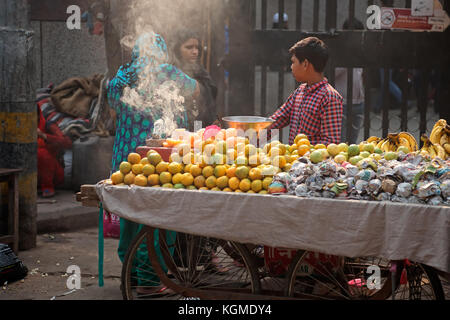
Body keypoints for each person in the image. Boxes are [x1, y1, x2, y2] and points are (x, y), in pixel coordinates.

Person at [107, 31, 200, 295]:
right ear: (160, 51)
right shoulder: (167, 71)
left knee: (130, 218)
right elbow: (194, 88)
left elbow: (113, 109)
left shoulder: (119, 78)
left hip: (125, 161)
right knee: (158, 219)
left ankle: (132, 274)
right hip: (157, 161)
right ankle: (149, 280)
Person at [268, 37, 344, 145]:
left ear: (305, 64)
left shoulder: (330, 98)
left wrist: (306, 154)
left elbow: (330, 143)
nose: (291, 67)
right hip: (293, 160)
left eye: (293, 62)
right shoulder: (300, 91)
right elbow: (278, 120)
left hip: (313, 161)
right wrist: (250, 139)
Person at [170, 30, 218, 130]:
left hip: (200, 126)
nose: (195, 52)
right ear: (178, 49)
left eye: (197, 48)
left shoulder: (201, 71)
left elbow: (210, 98)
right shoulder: (172, 73)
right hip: (180, 128)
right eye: (189, 47)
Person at [335, 18, 365, 144]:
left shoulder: (360, 51)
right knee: (340, 143)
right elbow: (331, 74)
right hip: (341, 103)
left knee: (353, 143)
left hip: (359, 103)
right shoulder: (337, 50)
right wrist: (347, 60)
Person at [37, 105, 73, 198]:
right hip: (32, 175)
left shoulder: (48, 126)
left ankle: (48, 188)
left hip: (54, 174)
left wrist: (43, 136)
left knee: (41, 153)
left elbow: (66, 143)